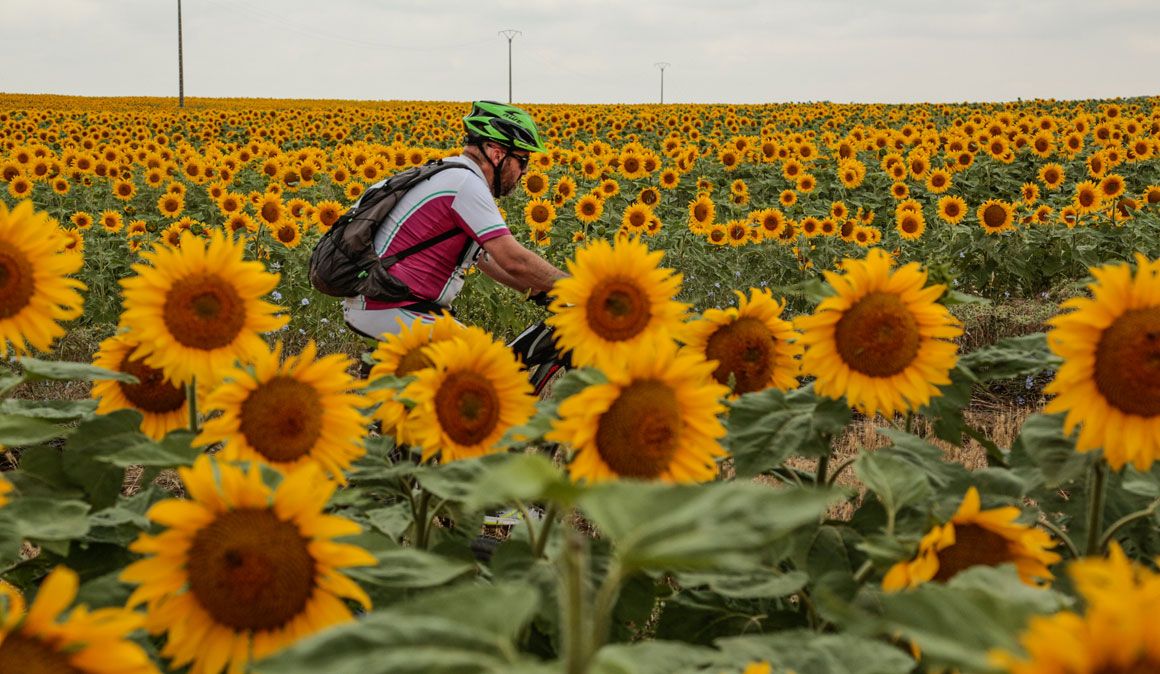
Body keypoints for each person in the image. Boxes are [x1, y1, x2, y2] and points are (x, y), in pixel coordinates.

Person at [343, 100, 568, 340]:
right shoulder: (466, 185)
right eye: (523, 160)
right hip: (391, 307)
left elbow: (486, 259)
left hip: (383, 304)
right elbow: (514, 261)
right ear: (497, 154)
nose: (525, 172)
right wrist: (581, 290)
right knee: (486, 365)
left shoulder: (452, 173)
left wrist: (539, 292)